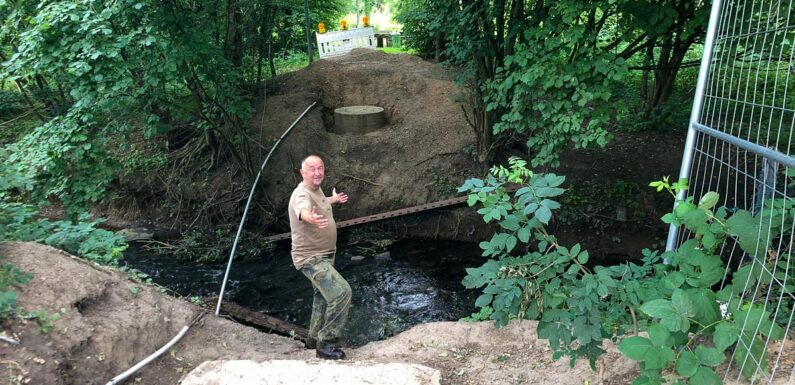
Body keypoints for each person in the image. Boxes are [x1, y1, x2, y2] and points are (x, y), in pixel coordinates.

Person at [288, 155, 351, 360]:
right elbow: (303, 209)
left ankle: (313, 340)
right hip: (310, 258)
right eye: (312, 169)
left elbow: (320, 201)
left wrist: (334, 200)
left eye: (320, 168)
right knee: (342, 292)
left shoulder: (316, 189)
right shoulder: (301, 194)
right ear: (302, 172)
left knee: (322, 297)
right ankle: (326, 344)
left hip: (324, 255)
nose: (317, 173)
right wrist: (310, 217)